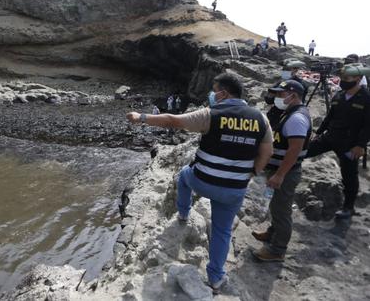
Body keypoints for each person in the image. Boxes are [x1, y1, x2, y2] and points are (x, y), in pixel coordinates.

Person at [126, 73, 274, 292]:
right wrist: (250, 174)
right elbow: (267, 152)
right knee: (222, 231)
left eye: (214, 91)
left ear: (223, 93)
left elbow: (173, 121)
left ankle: (183, 214)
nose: (212, 95)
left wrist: (142, 117)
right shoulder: (261, 119)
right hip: (233, 189)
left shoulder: (211, 114)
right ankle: (215, 278)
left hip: (203, 182)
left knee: (184, 176)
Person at [252, 80, 312, 262]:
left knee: (282, 210)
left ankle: (277, 250)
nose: (277, 97)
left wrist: (280, 175)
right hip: (278, 169)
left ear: (292, 95)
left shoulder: (297, 119)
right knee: (276, 206)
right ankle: (272, 233)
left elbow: (294, 150)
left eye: (280, 94)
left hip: (285, 172)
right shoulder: (290, 113)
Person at [306, 64, 370, 219]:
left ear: (358, 78)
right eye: (342, 78)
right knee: (304, 151)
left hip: (350, 144)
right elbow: (329, 117)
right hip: (330, 137)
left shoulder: (366, 98)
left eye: (347, 78)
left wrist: (361, 145)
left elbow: (368, 125)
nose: (343, 81)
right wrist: (319, 132)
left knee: (349, 175)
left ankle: (348, 207)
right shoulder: (339, 95)